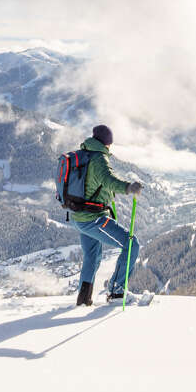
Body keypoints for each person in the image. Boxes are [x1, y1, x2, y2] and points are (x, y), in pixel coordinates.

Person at [67, 124, 143, 305]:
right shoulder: (98, 158)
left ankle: (83, 298)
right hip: (93, 219)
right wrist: (128, 187)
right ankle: (116, 292)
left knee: (92, 256)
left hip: (78, 217)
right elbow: (108, 180)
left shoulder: (83, 154)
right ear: (107, 143)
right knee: (131, 244)